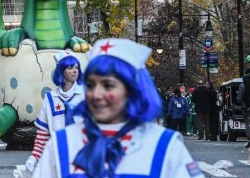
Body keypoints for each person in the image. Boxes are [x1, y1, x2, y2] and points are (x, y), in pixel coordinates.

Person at [33, 38, 203, 178]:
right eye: (90, 84)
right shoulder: (61, 144)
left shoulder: (165, 146)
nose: (96, 94)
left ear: (133, 90)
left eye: (108, 85)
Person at [25, 50, 84, 174]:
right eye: (70, 67)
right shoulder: (50, 98)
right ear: (61, 71)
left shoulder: (86, 96)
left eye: (77, 67)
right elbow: (43, 133)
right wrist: (34, 157)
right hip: (59, 157)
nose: (75, 70)